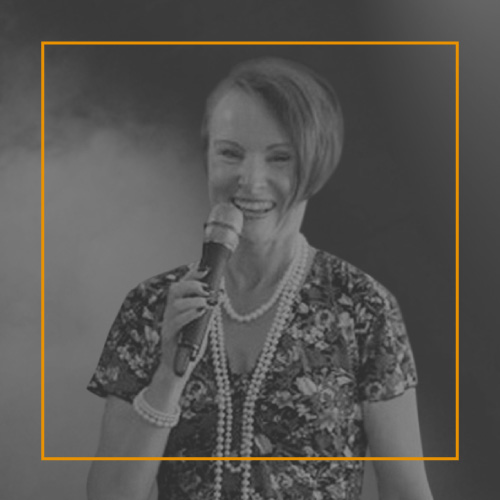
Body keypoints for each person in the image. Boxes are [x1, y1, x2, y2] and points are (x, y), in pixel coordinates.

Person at [87, 57, 433, 500]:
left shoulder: (361, 306)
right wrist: (167, 379)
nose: (250, 180)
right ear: (207, 156)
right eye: (230, 153)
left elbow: (407, 490)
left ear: (315, 165)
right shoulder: (152, 305)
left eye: (280, 157)